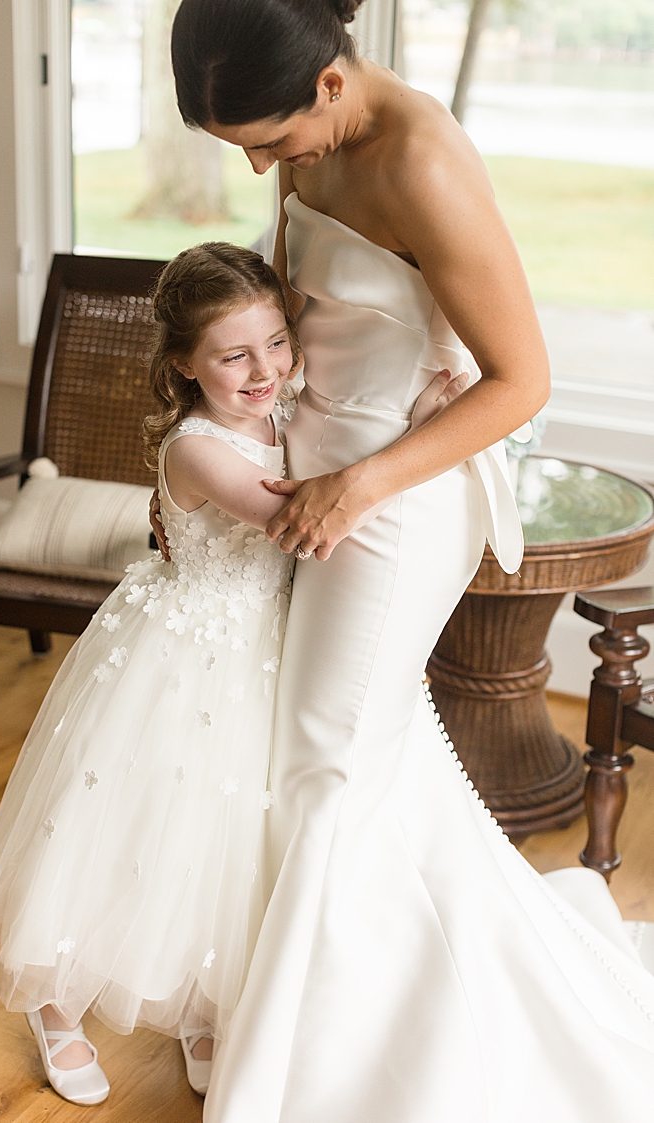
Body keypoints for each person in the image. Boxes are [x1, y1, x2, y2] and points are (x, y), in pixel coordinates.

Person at [159, 1, 654, 1118]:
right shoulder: (308, 138)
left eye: (268, 142)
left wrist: (362, 478)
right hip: (308, 479)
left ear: (330, 86)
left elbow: (523, 381)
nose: (257, 166)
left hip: (397, 493)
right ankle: (393, 1005)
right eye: (238, 145)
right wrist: (219, 459)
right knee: (340, 760)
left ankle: (326, 1063)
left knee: (321, 760)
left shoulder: (422, 164)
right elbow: (302, 324)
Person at [0, 244, 460, 1105]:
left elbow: (330, 423)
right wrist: (415, 445)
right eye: (235, 355)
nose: (264, 369)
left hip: (264, 655)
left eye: (276, 342)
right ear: (185, 365)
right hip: (183, 658)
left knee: (228, 839)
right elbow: (302, 520)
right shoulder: (198, 450)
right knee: (141, 834)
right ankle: (56, 1004)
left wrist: (413, 400)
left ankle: (202, 1000)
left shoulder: (284, 403)